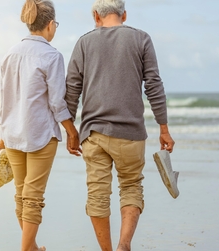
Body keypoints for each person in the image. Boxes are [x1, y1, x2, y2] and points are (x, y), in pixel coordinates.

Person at [64, 0, 175, 250]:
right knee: (131, 185)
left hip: (93, 133)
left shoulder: (84, 42)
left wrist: (70, 130)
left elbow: (71, 89)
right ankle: (124, 244)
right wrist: (164, 128)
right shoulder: (141, 39)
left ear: (96, 16)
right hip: (131, 133)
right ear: (124, 14)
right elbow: (154, 86)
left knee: (97, 193)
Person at [0, 0, 81, 250]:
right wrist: (71, 131)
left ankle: (32, 248)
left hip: (12, 134)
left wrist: (2, 134)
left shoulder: (9, 54)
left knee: (21, 194)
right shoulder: (52, 55)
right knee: (33, 197)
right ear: (51, 25)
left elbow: (4, 100)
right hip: (40, 134)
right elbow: (56, 102)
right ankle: (26, 249)